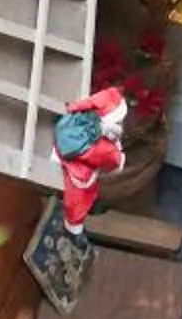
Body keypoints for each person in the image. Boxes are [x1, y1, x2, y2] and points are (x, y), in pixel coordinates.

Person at [52, 86, 128, 232]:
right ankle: (73, 226)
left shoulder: (87, 114)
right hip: (74, 163)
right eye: (119, 122)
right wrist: (118, 158)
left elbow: (85, 103)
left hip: (64, 140)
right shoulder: (103, 146)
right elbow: (111, 160)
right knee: (81, 192)